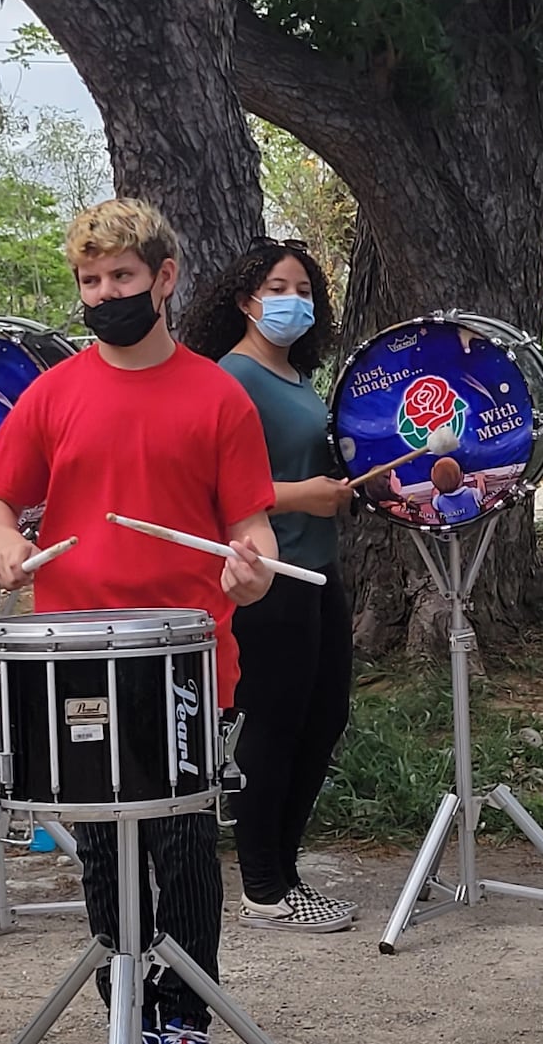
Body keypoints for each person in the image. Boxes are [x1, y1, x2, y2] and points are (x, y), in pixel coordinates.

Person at [0, 198, 278, 1044]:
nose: (105, 291)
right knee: (104, 846)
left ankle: (184, 1015)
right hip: (72, 658)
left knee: (182, 841)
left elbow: (253, 529)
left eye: (122, 276)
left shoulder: (218, 398)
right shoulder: (53, 394)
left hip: (185, 658)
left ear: (164, 278)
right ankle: (124, 1002)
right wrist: (3, 547)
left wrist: (247, 568)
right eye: (91, 279)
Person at [182, 238, 360, 934]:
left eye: (305, 290)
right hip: (269, 578)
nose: (294, 301)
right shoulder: (232, 377)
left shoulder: (296, 378)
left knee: (323, 721)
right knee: (275, 729)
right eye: (279, 287)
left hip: (318, 573)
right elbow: (213, 490)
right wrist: (301, 497)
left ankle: (285, 872)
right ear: (244, 300)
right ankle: (262, 884)